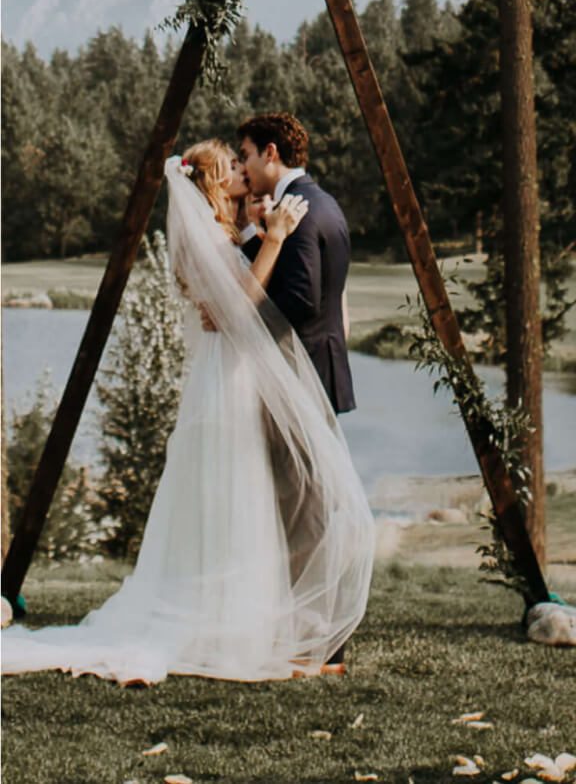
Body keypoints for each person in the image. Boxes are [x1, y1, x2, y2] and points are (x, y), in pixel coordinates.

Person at [2, 139, 374, 685]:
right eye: (233, 167)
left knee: (244, 493)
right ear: (215, 183)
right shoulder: (212, 239)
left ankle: (246, 617)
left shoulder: (224, 233)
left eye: (242, 161)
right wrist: (273, 239)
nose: (242, 171)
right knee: (236, 492)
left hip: (233, 374)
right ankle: (228, 622)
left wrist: (256, 232)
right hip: (228, 380)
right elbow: (237, 306)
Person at [236, 113, 356, 667]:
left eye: (247, 154)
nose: (245, 166)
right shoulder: (324, 202)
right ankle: (318, 631)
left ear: (271, 153)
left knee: (303, 507)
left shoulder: (299, 211)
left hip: (299, 374)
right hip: (321, 370)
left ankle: (318, 638)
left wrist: (242, 318)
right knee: (314, 502)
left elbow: (302, 299)